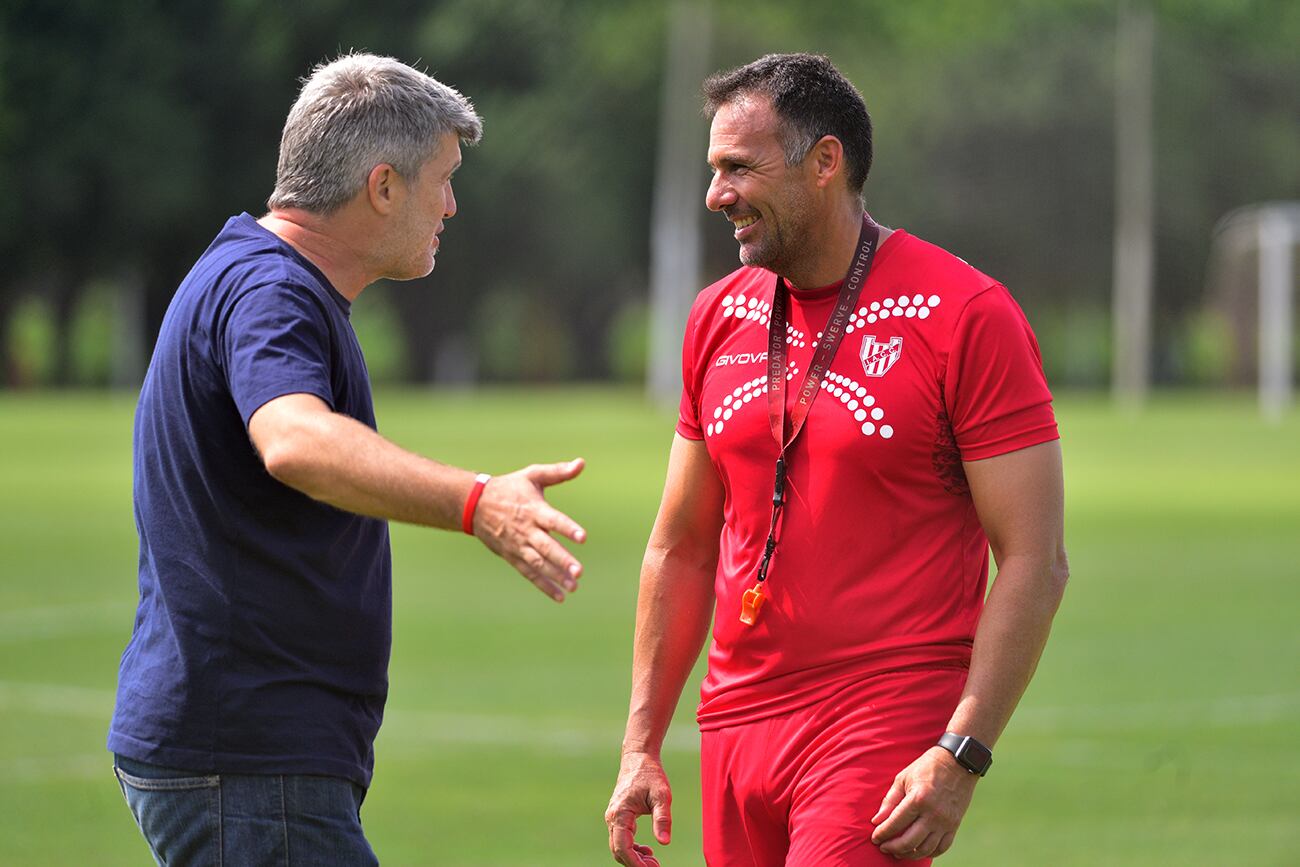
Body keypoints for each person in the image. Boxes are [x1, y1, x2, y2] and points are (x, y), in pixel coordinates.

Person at [108, 53, 588, 865]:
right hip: (250, 761)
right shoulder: (271, 289)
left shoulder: (253, 274)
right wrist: (479, 503)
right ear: (383, 185)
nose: (452, 203)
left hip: (246, 756)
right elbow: (294, 438)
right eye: (442, 178)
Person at [606, 53, 1068, 866]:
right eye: (714, 169)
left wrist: (962, 750)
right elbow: (679, 543)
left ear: (826, 163)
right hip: (736, 724)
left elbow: (1034, 558)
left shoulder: (964, 314)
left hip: (881, 718)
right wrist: (640, 743)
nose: (717, 195)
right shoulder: (717, 317)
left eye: (739, 168)